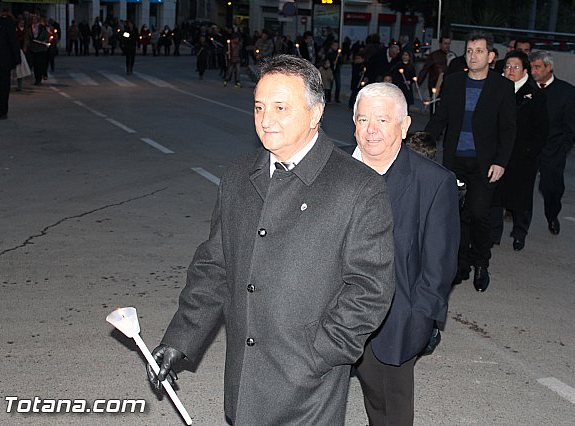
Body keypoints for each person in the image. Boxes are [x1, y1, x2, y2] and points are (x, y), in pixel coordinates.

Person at [146, 54, 396, 425]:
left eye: (281, 107)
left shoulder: (358, 188)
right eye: (259, 106)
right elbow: (216, 265)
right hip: (244, 381)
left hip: (310, 389)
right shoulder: (237, 177)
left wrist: (322, 354)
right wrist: (181, 338)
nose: (266, 119)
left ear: (315, 114)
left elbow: (370, 289)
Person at [345, 83, 459, 425]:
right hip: (326, 318)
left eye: (382, 119)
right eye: (363, 119)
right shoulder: (330, 168)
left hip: (392, 323)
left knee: (388, 413)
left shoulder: (433, 182)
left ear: (405, 125)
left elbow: (439, 264)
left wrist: (419, 319)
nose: (371, 130)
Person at [425, 30, 516, 292]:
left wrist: (501, 162)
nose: (473, 56)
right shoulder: (453, 82)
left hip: (485, 164)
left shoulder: (501, 87)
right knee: (455, 216)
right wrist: (420, 144)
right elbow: (440, 119)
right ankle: (459, 264)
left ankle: (481, 263)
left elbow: (509, 128)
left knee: (478, 214)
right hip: (455, 161)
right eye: (469, 51)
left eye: (478, 51)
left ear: (491, 56)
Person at [491, 51, 549, 250]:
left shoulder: (535, 95)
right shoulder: (496, 90)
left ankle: (519, 232)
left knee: (521, 196)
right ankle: (493, 233)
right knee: (495, 194)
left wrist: (530, 151)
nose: (510, 71)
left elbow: (542, 130)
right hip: (498, 152)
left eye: (515, 67)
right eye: (507, 66)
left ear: (525, 70)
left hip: (522, 155)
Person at [530, 50, 575, 236]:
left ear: (549, 68)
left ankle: (552, 215)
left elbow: (570, 126)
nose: (533, 71)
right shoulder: (527, 88)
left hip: (554, 150)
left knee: (551, 188)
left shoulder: (566, 91)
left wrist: (562, 149)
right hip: (529, 148)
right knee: (522, 188)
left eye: (537, 67)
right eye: (531, 67)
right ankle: (520, 230)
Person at [0, 14, 21, 119]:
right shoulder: (5, 23)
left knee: (4, 86)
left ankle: (2, 110)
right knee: (2, 86)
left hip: (3, 61)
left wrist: (17, 59)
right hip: (3, 61)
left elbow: (13, 41)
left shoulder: (5, 23)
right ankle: (1, 108)